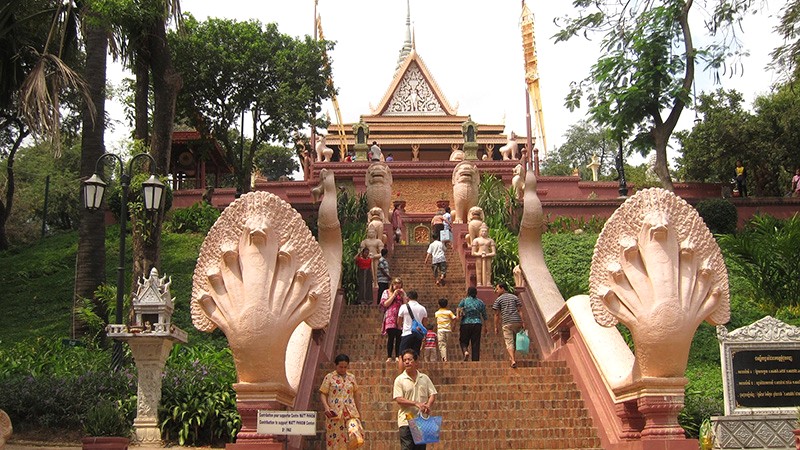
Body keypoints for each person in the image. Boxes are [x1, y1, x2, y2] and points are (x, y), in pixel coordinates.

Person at [393, 349, 437, 450]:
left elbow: (432, 394)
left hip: (420, 420)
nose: (407, 362)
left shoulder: (424, 378)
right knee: (407, 447)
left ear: (416, 362)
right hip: (406, 420)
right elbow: (399, 399)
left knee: (420, 448)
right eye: (405, 360)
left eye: (409, 359)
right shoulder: (399, 380)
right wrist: (416, 403)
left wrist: (428, 405)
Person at [319, 354, 363, 449]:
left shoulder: (351, 377)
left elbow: (356, 394)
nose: (343, 369)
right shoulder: (329, 377)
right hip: (334, 413)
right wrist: (326, 407)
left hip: (350, 411)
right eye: (340, 367)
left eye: (345, 367)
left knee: (354, 432)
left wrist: (359, 412)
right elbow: (323, 393)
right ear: (336, 365)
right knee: (335, 440)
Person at [493, 282, 525, 368]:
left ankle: (513, 360)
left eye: (498, 288)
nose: (497, 290)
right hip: (517, 321)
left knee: (509, 342)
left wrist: (496, 326)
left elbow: (496, 314)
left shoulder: (499, 300)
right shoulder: (515, 297)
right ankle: (512, 358)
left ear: (502, 288)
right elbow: (520, 310)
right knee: (514, 341)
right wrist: (523, 322)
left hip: (507, 322)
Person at [457, 286, 487, 361]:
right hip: (477, 323)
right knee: (476, 343)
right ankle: (475, 361)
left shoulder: (464, 301)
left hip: (465, 323)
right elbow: (484, 315)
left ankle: (465, 351)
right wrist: (485, 327)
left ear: (468, 292)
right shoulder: (480, 302)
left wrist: (457, 318)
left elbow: (459, 310)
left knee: (463, 341)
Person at [381, 277, 406, 362]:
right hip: (390, 316)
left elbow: (406, 305)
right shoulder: (386, 292)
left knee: (399, 336)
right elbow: (385, 304)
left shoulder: (402, 293)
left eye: (399, 284)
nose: (397, 286)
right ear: (392, 284)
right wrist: (394, 295)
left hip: (400, 317)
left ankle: (397, 356)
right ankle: (389, 356)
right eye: (395, 284)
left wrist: (404, 296)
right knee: (391, 337)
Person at [398, 290, 427, 354]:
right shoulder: (423, 308)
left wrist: (401, 328)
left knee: (402, 355)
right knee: (415, 355)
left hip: (407, 333)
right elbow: (424, 324)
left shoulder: (403, 307)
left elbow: (399, 321)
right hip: (418, 334)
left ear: (408, 298)